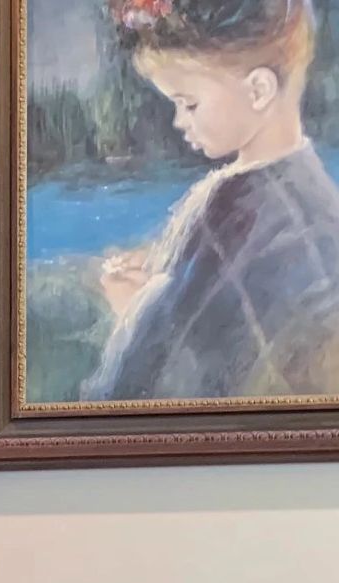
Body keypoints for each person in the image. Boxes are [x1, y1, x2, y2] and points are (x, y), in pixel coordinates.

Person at [82, 0, 339, 400]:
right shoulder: (318, 194)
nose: (178, 122)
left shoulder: (225, 209)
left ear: (258, 90)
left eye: (188, 104)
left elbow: (150, 383)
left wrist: (134, 307)